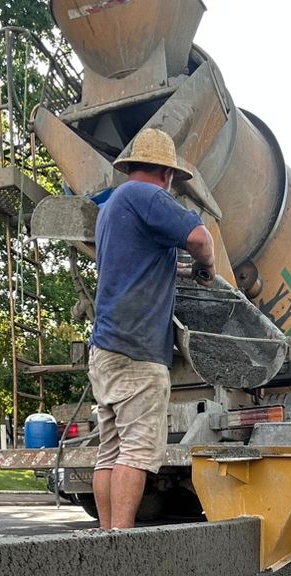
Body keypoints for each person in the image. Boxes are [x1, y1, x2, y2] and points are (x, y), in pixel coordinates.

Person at [89, 128, 218, 529]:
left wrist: (177, 268)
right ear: (165, 174)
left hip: (106, 346)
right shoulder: (147, 196)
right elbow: (200, 238)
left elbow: (137, 265)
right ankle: (122, 544)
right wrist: (207, 267)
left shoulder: (112, 207)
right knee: (136, 452)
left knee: (109, 450)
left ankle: (106, 541)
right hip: (137, 349)